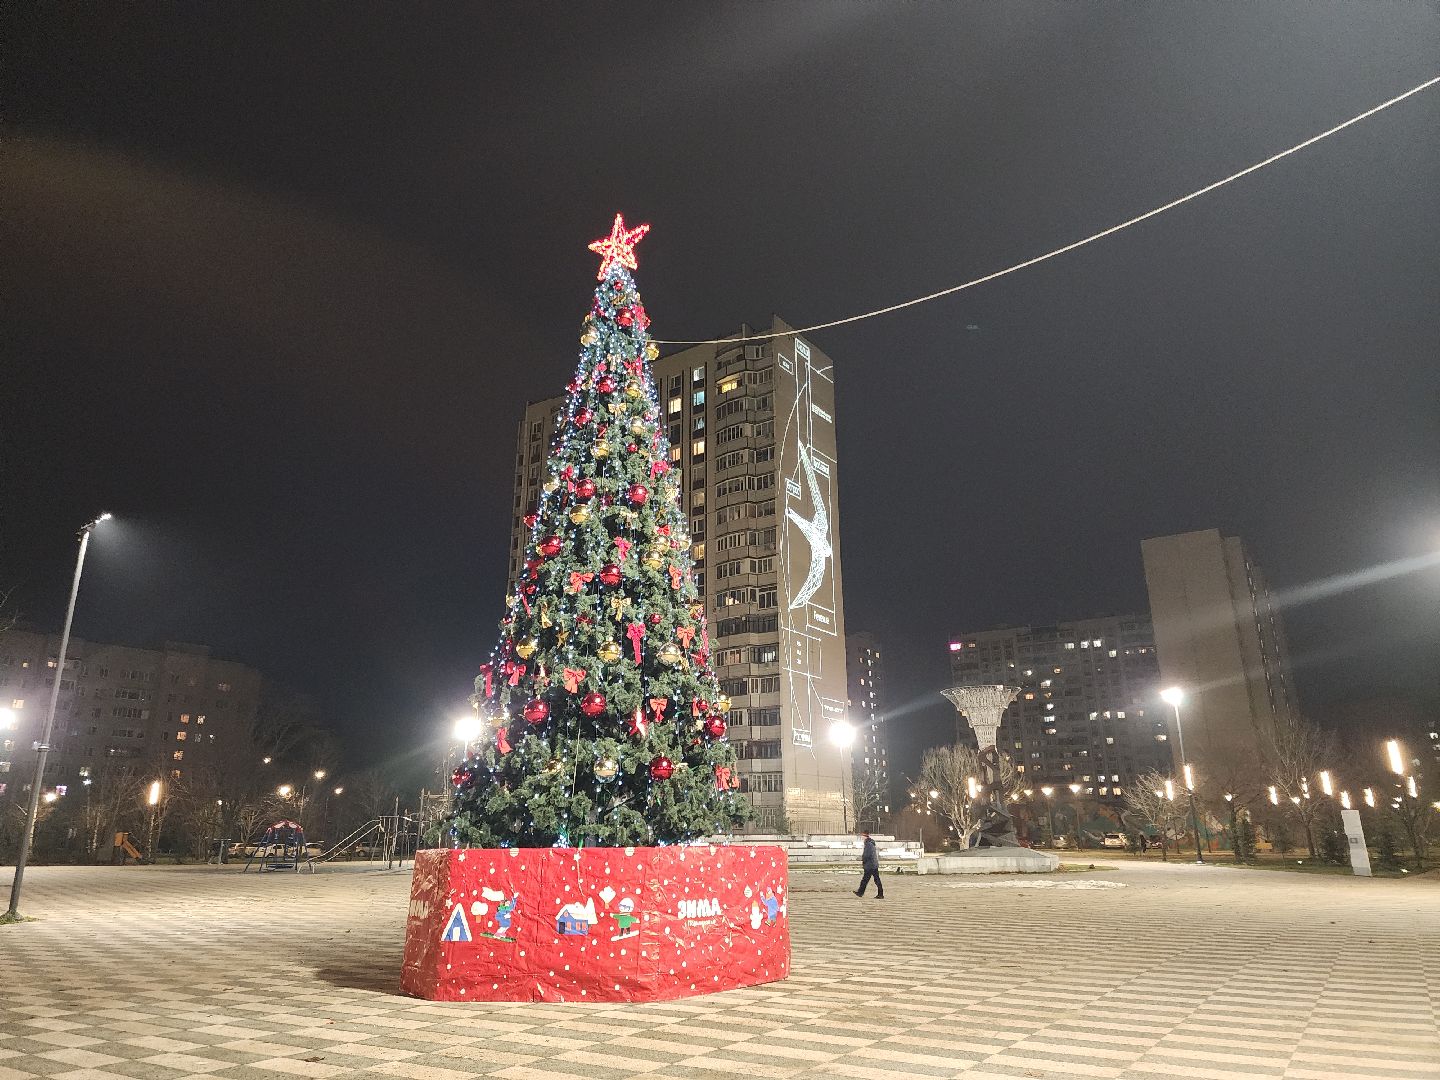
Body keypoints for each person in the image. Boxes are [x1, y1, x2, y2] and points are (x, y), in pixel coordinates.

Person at [854, 831, 884, 899]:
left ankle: (860, 892)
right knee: (873, 879)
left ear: (865, 836)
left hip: (870, 865)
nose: (861, 838)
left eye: (862, 836)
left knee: (866, 880)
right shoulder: (870, 843)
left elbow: (867, 855)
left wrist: (864, 860)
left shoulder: (868, 844)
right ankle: (861, 892)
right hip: (872, 865)